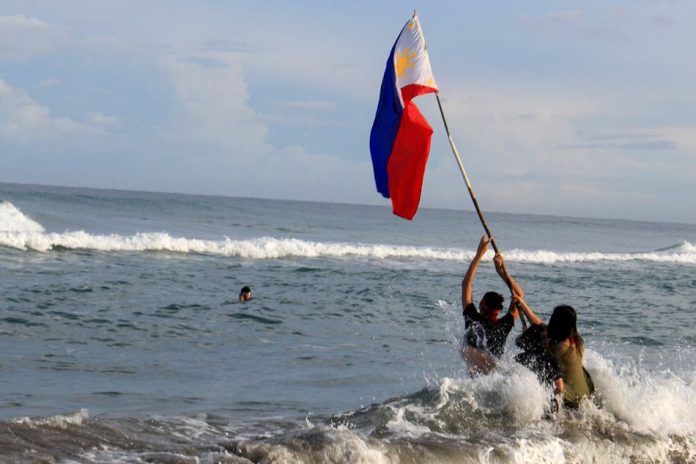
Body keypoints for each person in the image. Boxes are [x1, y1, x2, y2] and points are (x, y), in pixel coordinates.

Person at [460, 235, 524, 374]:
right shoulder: (505, 325)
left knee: (466, 348)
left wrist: (479, 254)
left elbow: (466, 285)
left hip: (478, 378)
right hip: (494, 378)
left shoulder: (472, 319)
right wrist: (501, 272)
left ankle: (492, 367)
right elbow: (519, 295)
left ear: (482, 304)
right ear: (498, 311)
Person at [514, 297, 594, 409]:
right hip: (585, 393)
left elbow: (540, 343)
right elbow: (541, 327)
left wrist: (528, 337)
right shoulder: (576, 340)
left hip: (570, 399)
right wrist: (522, 305)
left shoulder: (555, 348)